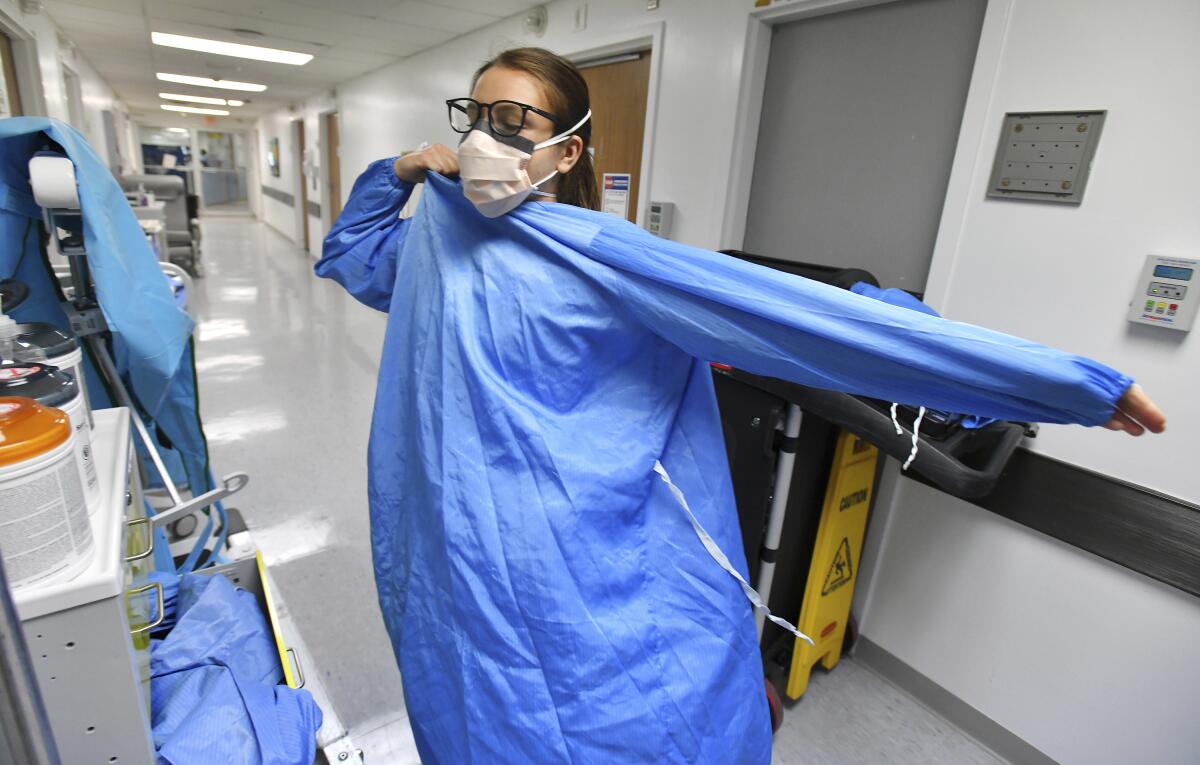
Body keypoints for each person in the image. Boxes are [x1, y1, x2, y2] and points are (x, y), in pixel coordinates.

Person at [317, 48, 1164, 764]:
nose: (481, 139)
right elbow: (353, 256)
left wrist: (1062, 384)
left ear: (567, 155)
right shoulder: (436, 233)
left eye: (513, 124)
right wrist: (393, 172)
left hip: (576, 573)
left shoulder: (608, 258)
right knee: (473, 713)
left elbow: (806, 317)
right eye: (475, 114)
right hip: (452, 563)